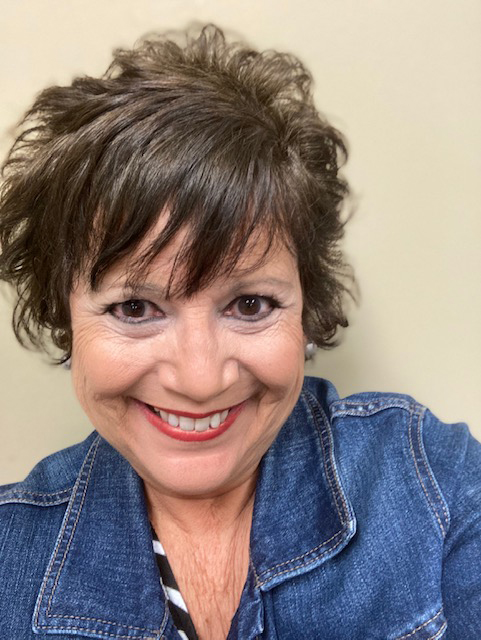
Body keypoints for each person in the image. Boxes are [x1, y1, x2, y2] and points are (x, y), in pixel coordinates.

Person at [0, 24, 479, 640]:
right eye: (135, 309)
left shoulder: (436, 483)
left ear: (306, 309)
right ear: (64, 317)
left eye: (250, 304)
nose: (200, 379)